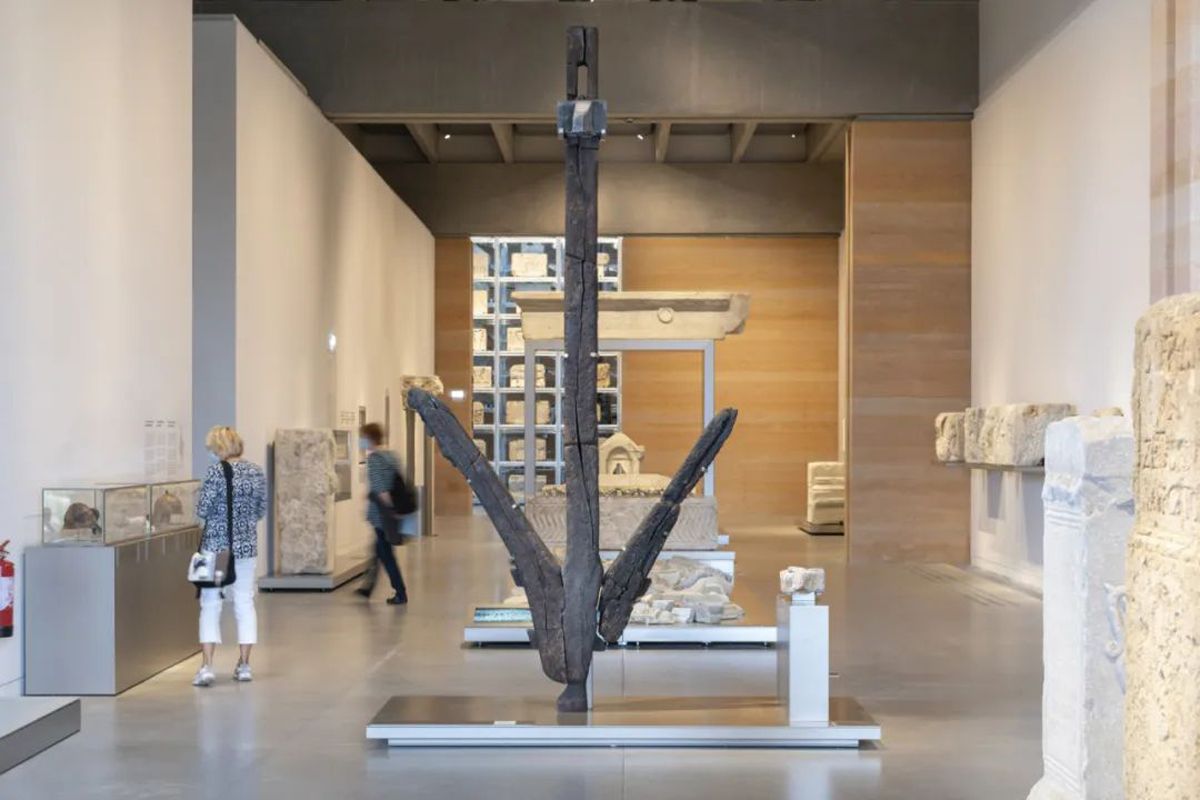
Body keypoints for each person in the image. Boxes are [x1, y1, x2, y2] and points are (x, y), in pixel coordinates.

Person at [192, 425, 267, 687]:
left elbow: (203, 509)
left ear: (219, 448)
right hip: (245, 548)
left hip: (215, 548)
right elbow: (261, 510)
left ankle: (206, 667)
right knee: (244, 602)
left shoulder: (215, 472)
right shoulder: (256, 471)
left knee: (210, 604)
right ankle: (244, 665)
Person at [356, 422, 408, 605]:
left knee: (385, 554)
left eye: (362, 437)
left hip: (382, 515)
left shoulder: (374, 460)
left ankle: (400, 592)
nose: (360, 441)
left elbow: (381, 490)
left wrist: (391, 509)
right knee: (378, 551)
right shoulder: (392, 456)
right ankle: (367, 587)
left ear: (369, 438)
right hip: (387, 513)